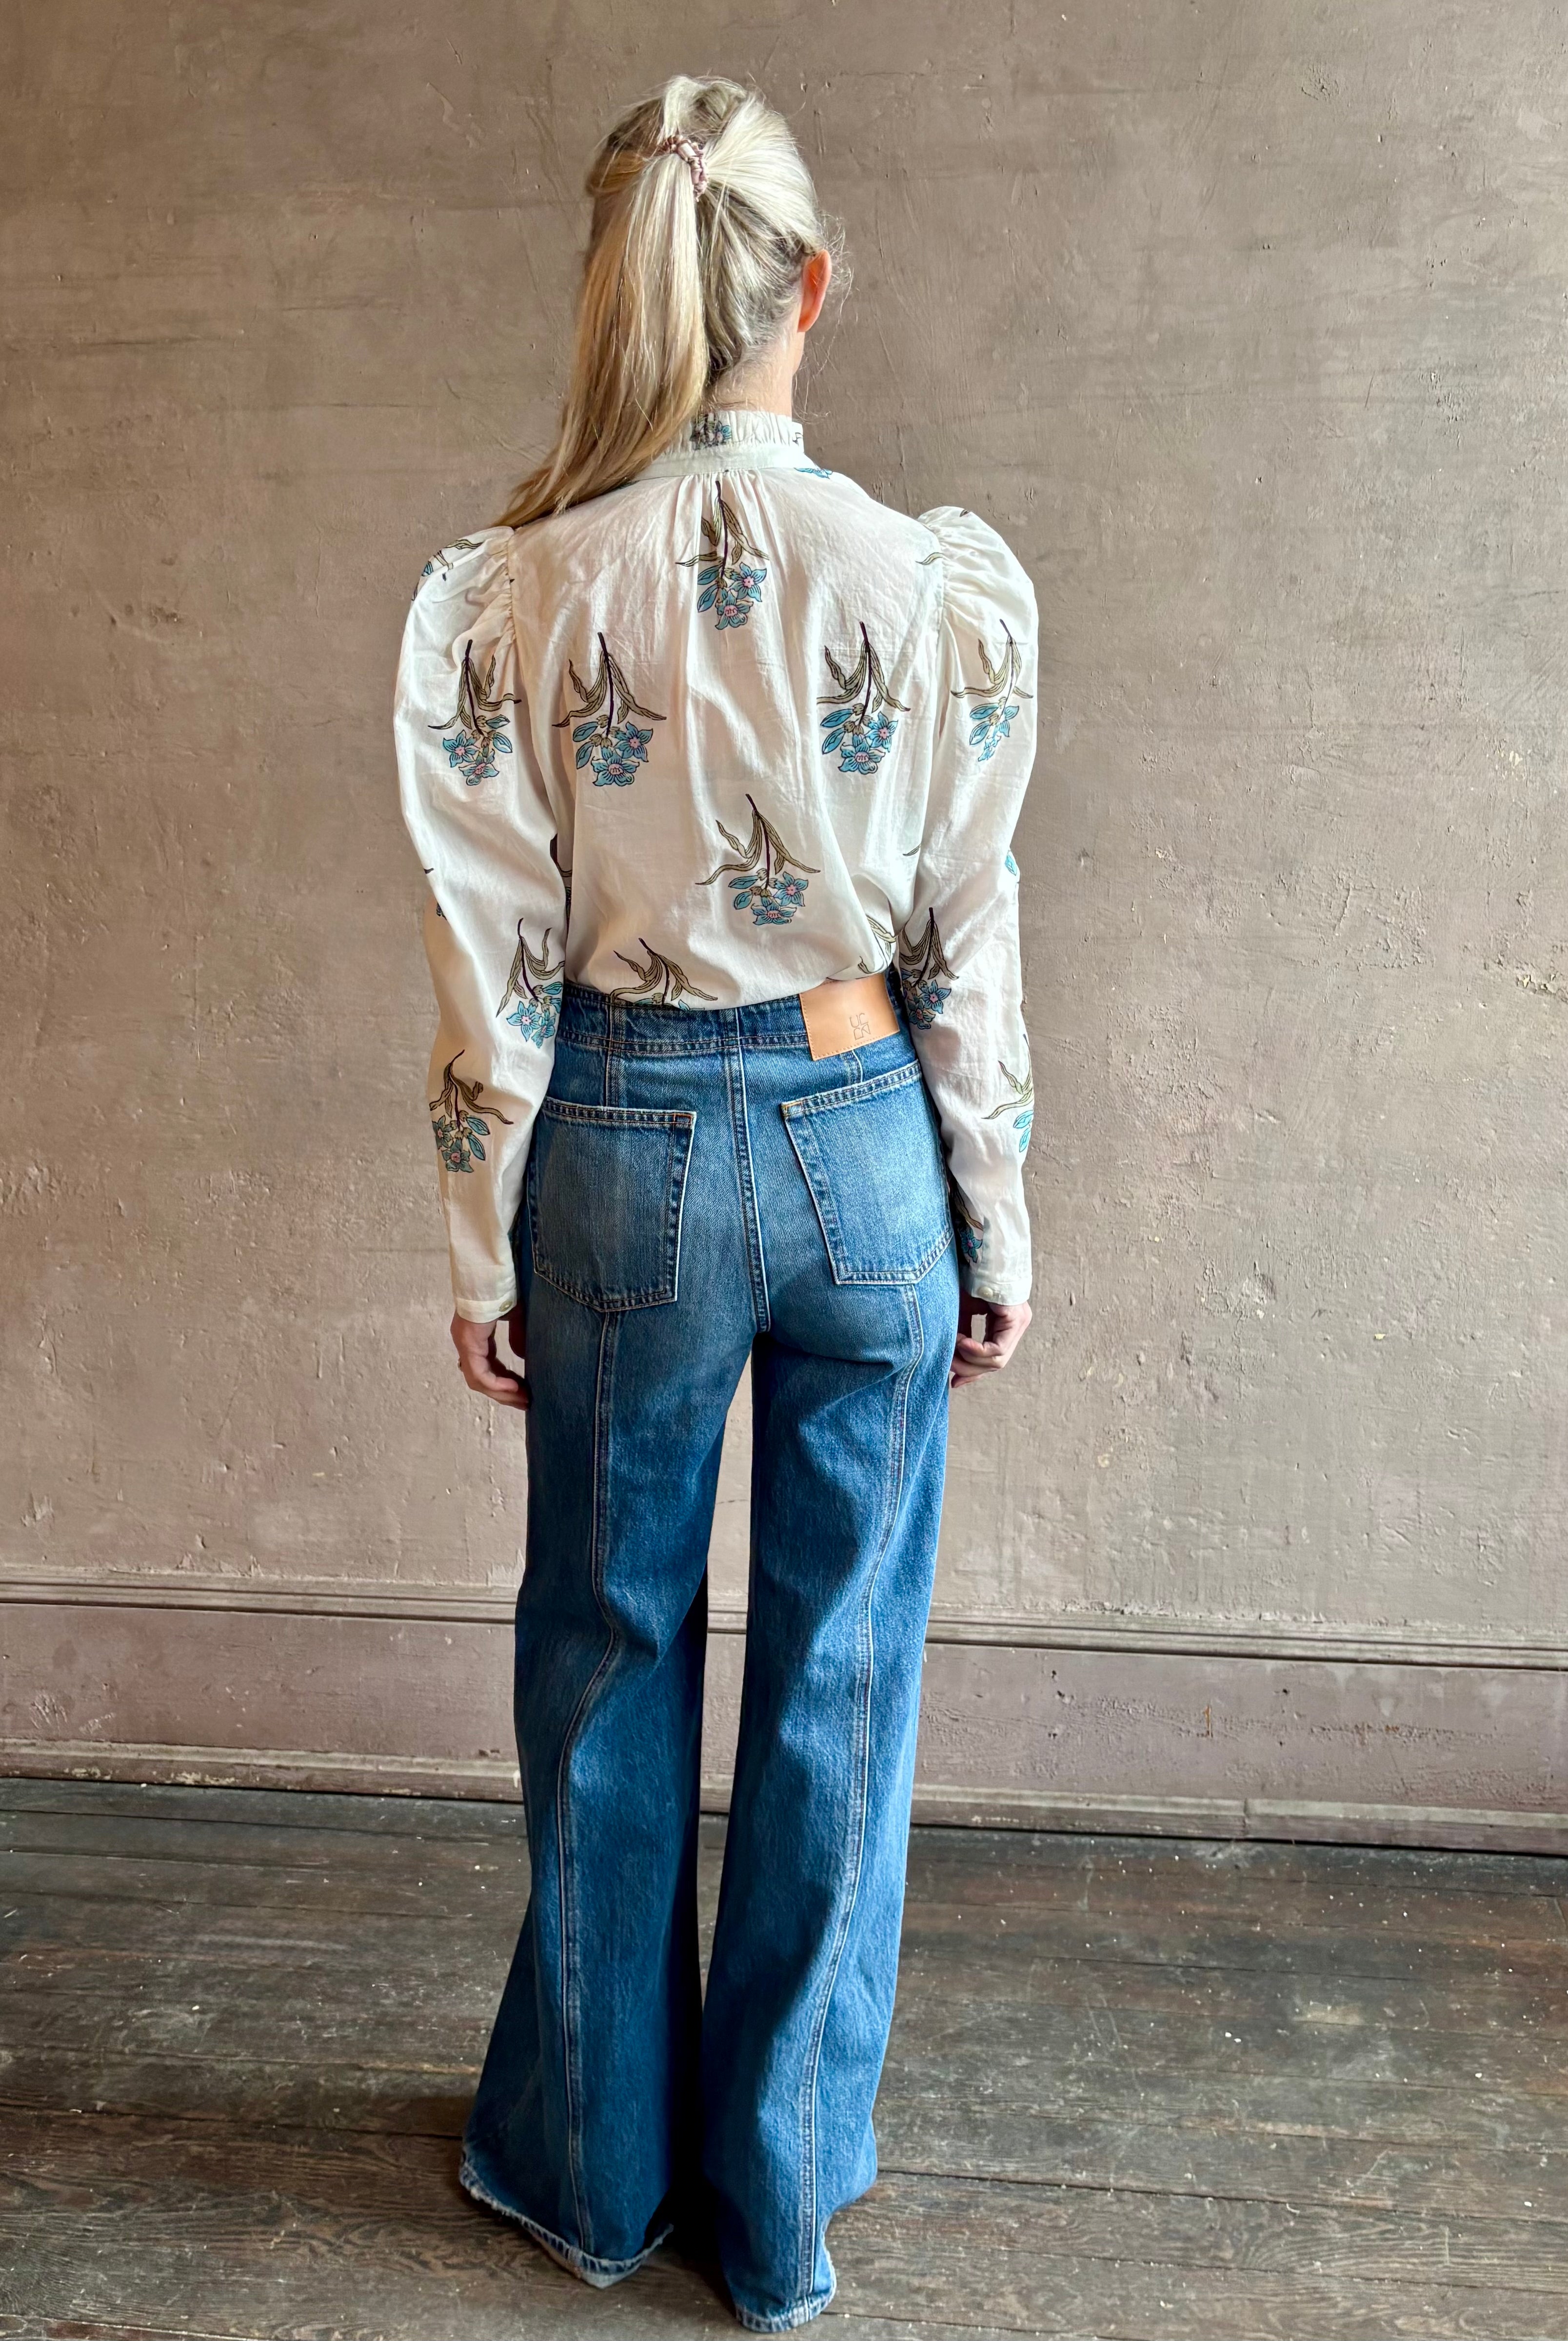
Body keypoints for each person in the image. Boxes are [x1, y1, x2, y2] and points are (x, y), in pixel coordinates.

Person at [393, 71, 1036, 2336]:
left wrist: (484, 1248)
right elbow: (970, 930)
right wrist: (994, 1216)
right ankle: (778, 2214)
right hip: (863, 1130)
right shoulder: (932, 587)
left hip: (629, 1154)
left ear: (620, 294)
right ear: (812, 286)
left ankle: (591, 2177)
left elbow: (493, 962)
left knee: (607, 1658)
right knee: (842, 1677)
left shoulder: (519, 593)